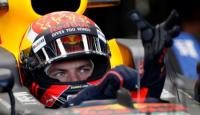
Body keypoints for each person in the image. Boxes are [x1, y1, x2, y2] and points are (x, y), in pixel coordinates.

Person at [19, 10, 180, 108]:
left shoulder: (117, 94)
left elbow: (145, 105)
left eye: (84, 69)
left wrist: (153, 72)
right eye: (60, 73)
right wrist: (96, 92)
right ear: (31, 74)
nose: (75, 79)